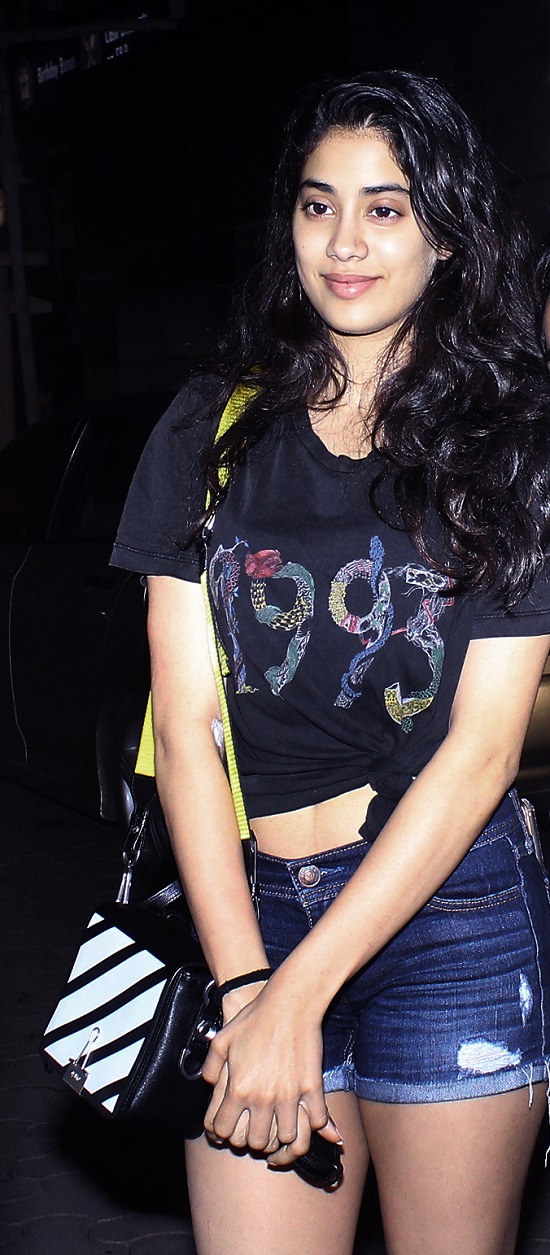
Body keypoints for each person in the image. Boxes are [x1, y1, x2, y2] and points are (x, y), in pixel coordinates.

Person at [111, 70, 550, 1255]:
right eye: (318, 205)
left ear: (446, 235)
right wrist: (251, 985)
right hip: (248, 911)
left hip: (448, 917)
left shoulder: (509, 444)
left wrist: (296, 995)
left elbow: (482, 752)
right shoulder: (210, 425)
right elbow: (188, 728)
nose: (343, 241)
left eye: (385, 208)